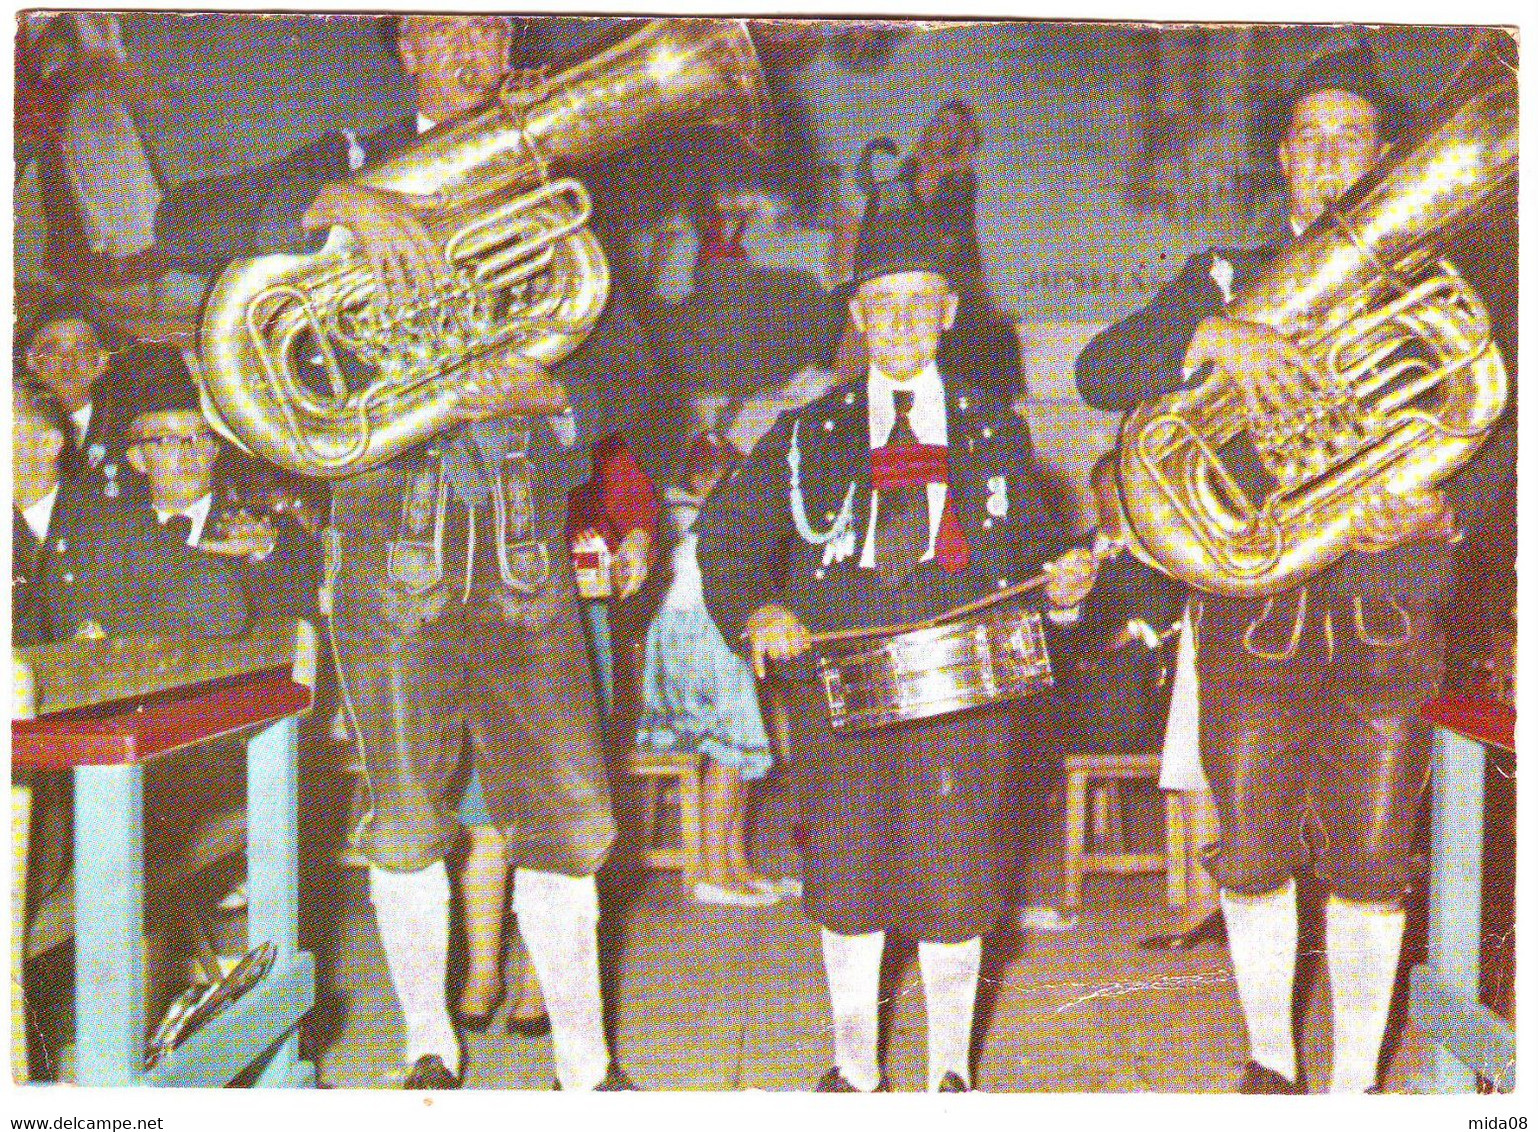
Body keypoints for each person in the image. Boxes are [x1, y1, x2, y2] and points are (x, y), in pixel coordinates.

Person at [154, 13, 655, 1090]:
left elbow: (642, 377)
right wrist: (331, 205)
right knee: (403, 812)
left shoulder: (547, 167)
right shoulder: (341, 162)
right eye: (444, 24)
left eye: (491, 23)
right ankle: (428, 1043)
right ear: (405, 48)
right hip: (386, 544)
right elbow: (179, 219)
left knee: (570, 811)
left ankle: (588, 1063)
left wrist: (554, 390)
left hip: (523, 546)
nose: (472, 44)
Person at [1075, 44, 1513, 1094]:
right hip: (1252, 608)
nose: (1326, 158)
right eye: (1307, 140)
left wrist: (1444, 504)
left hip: (1387, 606)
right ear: (1281, 159)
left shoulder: (1456, 283)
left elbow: (1503, 433)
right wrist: (1208, 336)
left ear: (1384, 155)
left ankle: (1356, 1081)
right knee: (1251, 847)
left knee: (1370, 857)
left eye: (1349, 137)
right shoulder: (1219, 280)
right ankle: (1270, 1063)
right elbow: (1098, 374)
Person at [697, 186, 1096, 1092]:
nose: (905, 319)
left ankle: (950, 1072)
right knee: (846, 876)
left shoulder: (995, 430)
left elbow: (1039, 551)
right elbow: (724, 539)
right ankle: (853, 1069)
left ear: (950, 311)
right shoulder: (804, 434)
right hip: (838, 689)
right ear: (858, 314)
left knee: (956, 882)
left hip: (969, 689)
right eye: (884, 302)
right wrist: (757, 609)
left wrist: (1068, 585)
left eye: (924, 300)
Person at [42, 347, 315, 642]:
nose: (186, 453)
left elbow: (306, 603)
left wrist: (265, 549)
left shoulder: (264, 531)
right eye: (165, 441)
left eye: (198, 438)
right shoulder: (108, 538)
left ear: (214, 449)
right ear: (138, 458)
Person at [638, 430, 787, 908]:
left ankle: (734, 863)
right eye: (719, 474)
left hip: (712, 632)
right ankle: (713, 872)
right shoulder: (685, 516)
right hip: (697, 634)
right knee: (730, 748)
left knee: (740, 750)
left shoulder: (713, 516)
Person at [15, 294, 138, 499]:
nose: (68, 362)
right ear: (31, 361)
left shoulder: (125, 430)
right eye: (52, 350)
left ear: (101, 362)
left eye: (81, 349)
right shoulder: (16, 433)